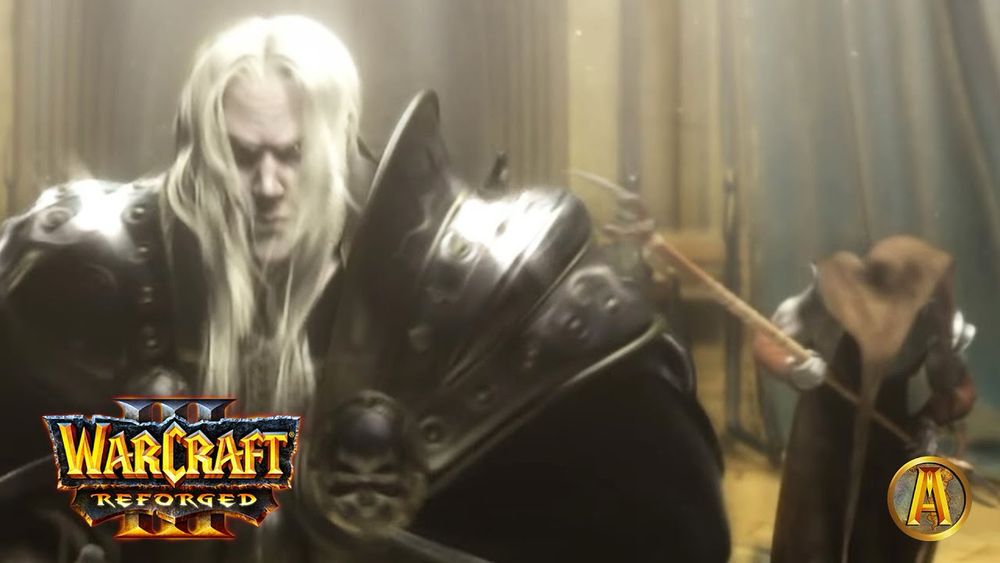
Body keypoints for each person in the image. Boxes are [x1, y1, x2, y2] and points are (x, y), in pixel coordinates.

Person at [0, 15, 730, 562]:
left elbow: (666, 517)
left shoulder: (455, 287)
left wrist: (180, 481)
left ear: (339, 145)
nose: (267, 185)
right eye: (241, 156)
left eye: (291, 154)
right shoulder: (107, 273)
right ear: (199, 155)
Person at [753, 235, 976, 563]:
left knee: (881, 543)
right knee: (811, 540)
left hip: (889, 436)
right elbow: (765, 340)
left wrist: (931, 418)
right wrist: (791, 367)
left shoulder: (934, 320)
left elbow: (961, 389)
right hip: (821, 435)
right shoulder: (826, 299)